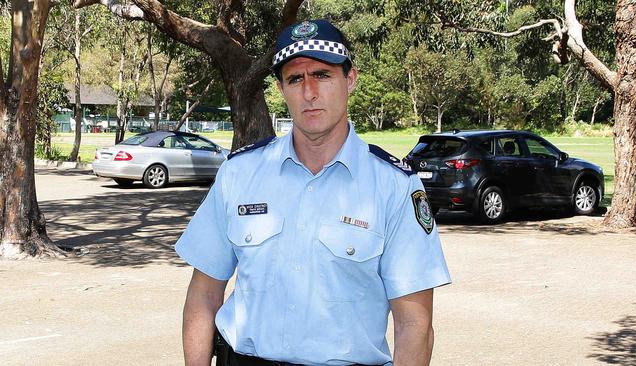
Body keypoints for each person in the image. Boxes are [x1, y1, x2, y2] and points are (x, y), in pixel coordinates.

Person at [175, 19, 451, 366]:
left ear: (349, 80)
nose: (309, 92)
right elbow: (204, 294)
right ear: (281, 89)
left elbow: (414, 323)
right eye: (295, 79)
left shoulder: (393, 186)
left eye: (322, 75)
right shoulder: (240, 174)